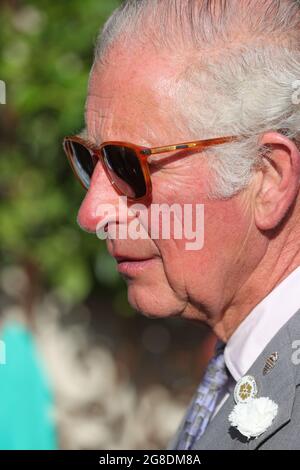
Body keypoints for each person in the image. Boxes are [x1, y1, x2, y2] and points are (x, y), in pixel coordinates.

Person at [63, 0, 300, 449]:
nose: (92, 213)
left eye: (128, 164)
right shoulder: (244, 364)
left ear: (268, 178)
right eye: (87, 158)